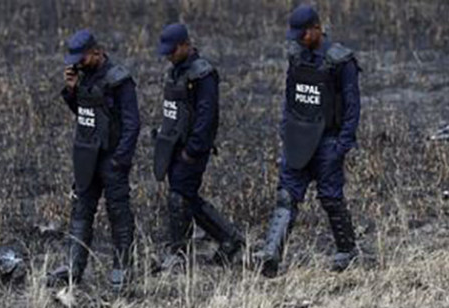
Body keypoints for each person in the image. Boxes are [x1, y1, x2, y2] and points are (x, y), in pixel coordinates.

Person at [255, 5, 361, 278]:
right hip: (298, 137)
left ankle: (348, 250)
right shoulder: (296, 56)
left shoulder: (340, 61)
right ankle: (271, 254)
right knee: (286, 195)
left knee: (330, 198)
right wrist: (284, 129)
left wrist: (342, 145)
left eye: (303, 34)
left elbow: (352, 106)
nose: (299, 40)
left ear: (316, 28)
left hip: (328, 140)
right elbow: (290, 96)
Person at [49, 29, 140, 292]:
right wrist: (71, 91)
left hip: (111, 158)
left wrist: (120, 160)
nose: (77, 63)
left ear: (96, 52)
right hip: (86, 156)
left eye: (82, 57)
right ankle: (73, 269)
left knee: (119, 214)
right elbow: (84, 114)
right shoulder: (83, 78)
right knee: (81, 211)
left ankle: (122, 272)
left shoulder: (119, 79)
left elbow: (132, 125)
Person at [152, 23, 244, 270]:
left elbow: (207, 115)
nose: (168, 57)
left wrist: (193, 149)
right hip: (173, 146)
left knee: (178, 197)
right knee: (187, 198)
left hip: (191, 150)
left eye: (172, 51)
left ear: (185, 45)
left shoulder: (203, 74)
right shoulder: (176, 71)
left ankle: (178, 256)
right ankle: (230, 239)